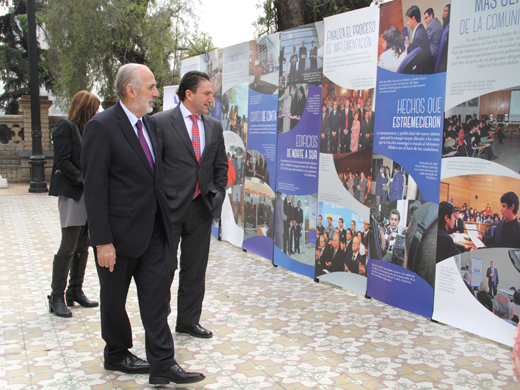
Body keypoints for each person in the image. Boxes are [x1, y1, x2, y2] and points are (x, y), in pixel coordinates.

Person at [81, 63, 204, 384]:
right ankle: (116, 352)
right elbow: (93, 189)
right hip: (117, 237)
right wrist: (102, 241)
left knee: (155, 298)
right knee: (114, 299)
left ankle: (163, 362)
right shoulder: (101, 126)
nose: (155, 93)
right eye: (150, 87)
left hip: (153, 232)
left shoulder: (150, 126)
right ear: (130, 90)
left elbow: (155, 179)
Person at [153, 70, 227, 341]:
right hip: (169, 210)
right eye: (207, 93)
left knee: (195, 268)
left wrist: (216, 195)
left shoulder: (214, 126)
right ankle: (159, 322)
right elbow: (153, 168)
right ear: (189, 94)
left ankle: (188, 321)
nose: (212, 99)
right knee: (165, 268)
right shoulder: (160, 123)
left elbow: (221, 167)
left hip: (201, 208)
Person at [47, 90, 100, 318]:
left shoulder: (86, 129)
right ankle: (56, 295)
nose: (97, 112)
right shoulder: (65, 127)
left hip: (87, 193)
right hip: (72, 193)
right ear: (85, 107)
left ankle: (75, 290)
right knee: (68, 244)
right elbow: (62, 161)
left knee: (83, 244)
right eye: (94, 108)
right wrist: (84, 179)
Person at [404, 5, 434, 74]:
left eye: (408, 20)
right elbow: (413, 46)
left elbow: (414, 61)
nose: (407, 23)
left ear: (413, 19)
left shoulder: (418, 37)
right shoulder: (420, 29)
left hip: (424, 73)